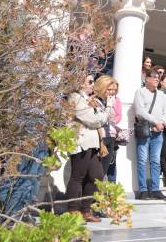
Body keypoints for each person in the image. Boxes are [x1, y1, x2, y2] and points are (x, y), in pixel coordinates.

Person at [66, 74, 111, 222]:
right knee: (77, 177)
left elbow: (98, 119)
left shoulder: (88, 99)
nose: (93, 84)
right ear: (80, 83)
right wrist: (108, 108)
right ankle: (72, 210)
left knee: (96, 175)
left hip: (92, 143)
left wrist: (100, 116)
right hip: (81, 141)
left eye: (92, 82)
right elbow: (93, 120)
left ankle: (86, 210)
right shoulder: (75, 97)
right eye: (90, 82)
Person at [133, 68, 166, 200]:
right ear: (146, 78)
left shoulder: (162, 95)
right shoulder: (140, 92)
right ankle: (143, 190)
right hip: (144, 130)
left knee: (155, 161)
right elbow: (139, 112)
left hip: (157, 132)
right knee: (142, 160)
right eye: (153, 76)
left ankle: (155, 189)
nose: (156, 79)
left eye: (158, 77)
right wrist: (155, 121)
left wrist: (161, 123)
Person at [94, 75, 119, 177]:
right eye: (109, 89)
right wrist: (109, 105)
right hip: (100, 139)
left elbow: (112, 119)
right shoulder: (95, 101)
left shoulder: (109, 101)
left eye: (114, 90)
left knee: (103, 172)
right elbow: (101, 120)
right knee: (96, 173)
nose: (112, 92)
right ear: (102, 87)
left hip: (110, 137)